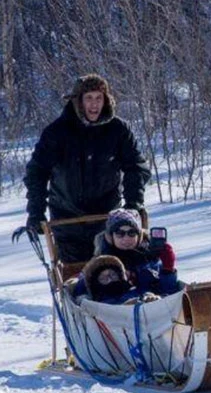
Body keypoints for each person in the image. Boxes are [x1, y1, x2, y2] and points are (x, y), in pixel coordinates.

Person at [22, 74, 151, 263]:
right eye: (89, 98)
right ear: (78, 101)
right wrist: (36, 212)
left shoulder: (118, 130)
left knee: (114, 272)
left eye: (99, 98)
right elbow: (37, 173)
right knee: (75, 279)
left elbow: (136, 168)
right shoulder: (57, 133)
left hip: (108, 219)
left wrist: (133, 204)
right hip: (67, 220)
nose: (94, 104)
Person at [71, 209, 180, 300]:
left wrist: (168, 269)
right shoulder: (102, 262)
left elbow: (169, 292)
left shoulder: (150, 260)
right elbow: (83, 285)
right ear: (111, 237)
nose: (126, 238)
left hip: (152, 312)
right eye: (120, 233)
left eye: (132, 233)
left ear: (139, 236)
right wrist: (83, 297)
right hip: (114, 314)